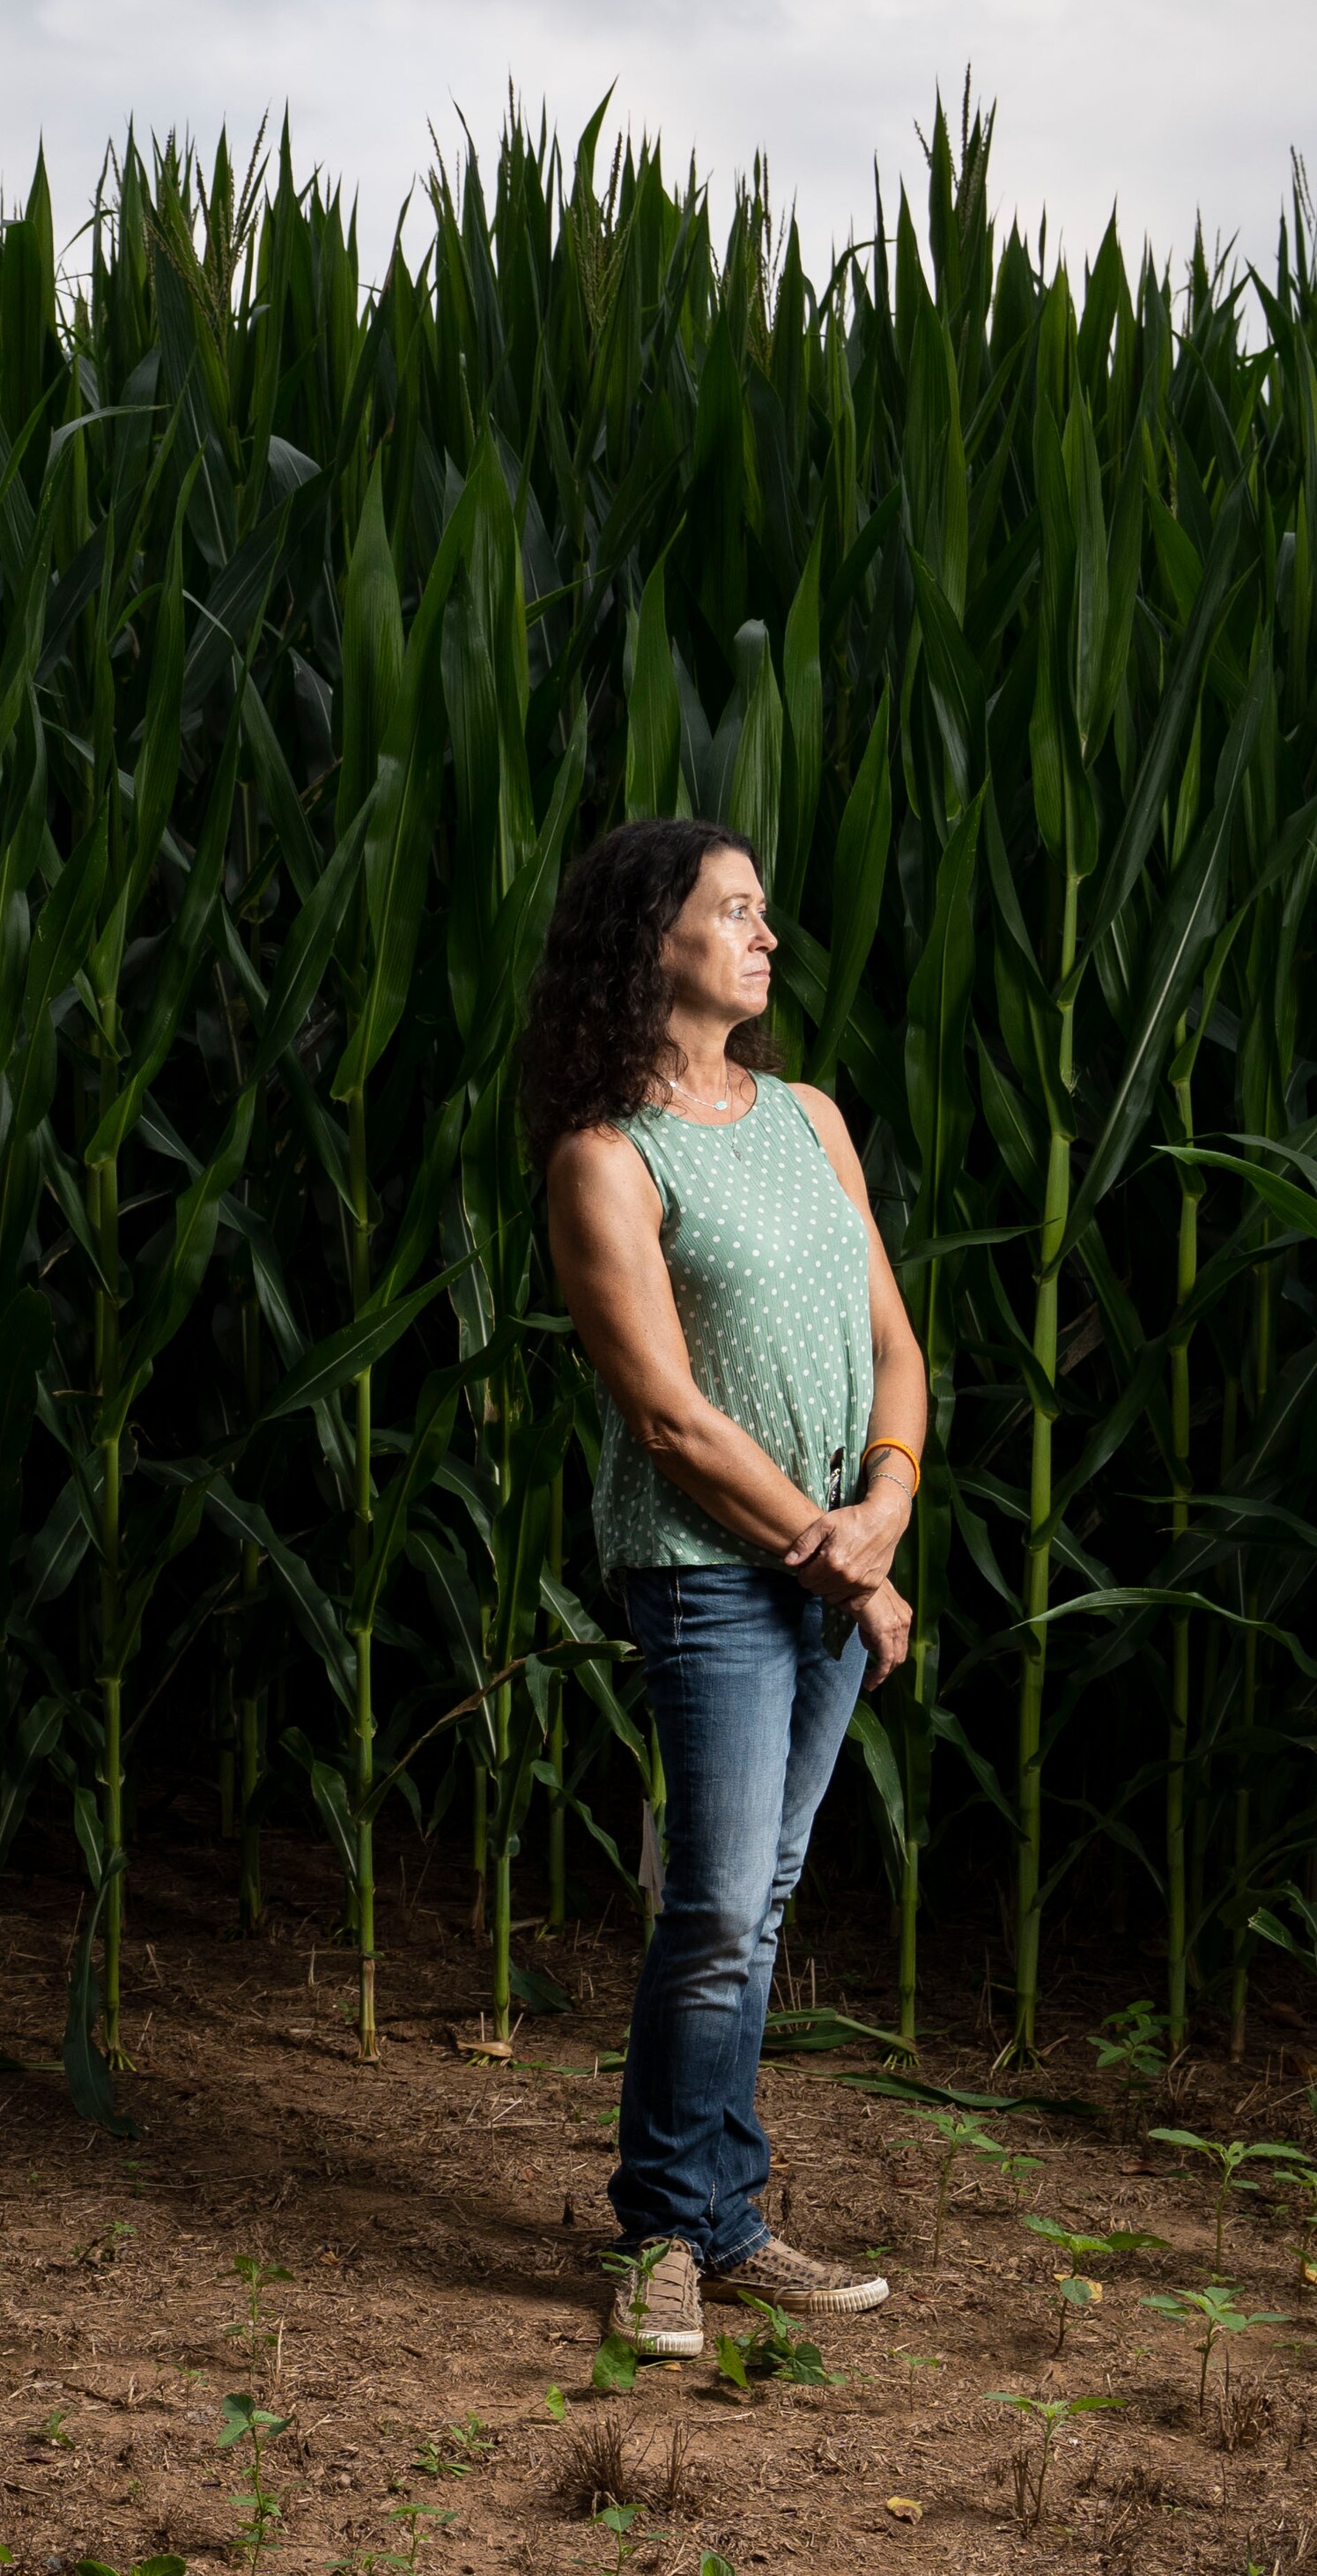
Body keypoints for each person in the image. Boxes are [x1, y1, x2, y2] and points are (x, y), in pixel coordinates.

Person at [530, 816, 927, 2360]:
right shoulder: (606, 1157)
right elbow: (669, 1420)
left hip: (831, 1564)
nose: (767, 937)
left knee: (756, 1903)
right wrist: (840, 1555)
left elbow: (893, 1341)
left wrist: (885, 1504)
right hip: (709, 1576)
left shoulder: (810, 1116)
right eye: (736, 910)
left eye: (765, 911)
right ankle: (661, 2235)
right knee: (709, 1907)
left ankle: (726, 2218)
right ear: (656, 942)